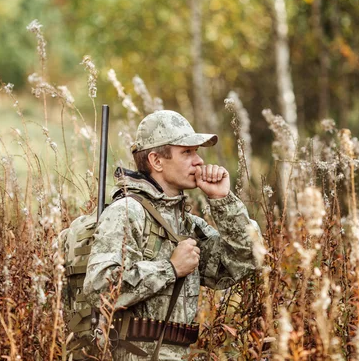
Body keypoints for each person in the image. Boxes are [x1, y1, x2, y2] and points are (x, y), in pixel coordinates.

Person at [83, 110, 262, 360]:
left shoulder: (186, 223)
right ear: (156, 161)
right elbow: (100, 288)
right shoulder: (127, 212)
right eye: (187, 152)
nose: (198, 161)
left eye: (197, 151)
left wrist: (223, 200)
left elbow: (246, 260)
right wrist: (170, 268)